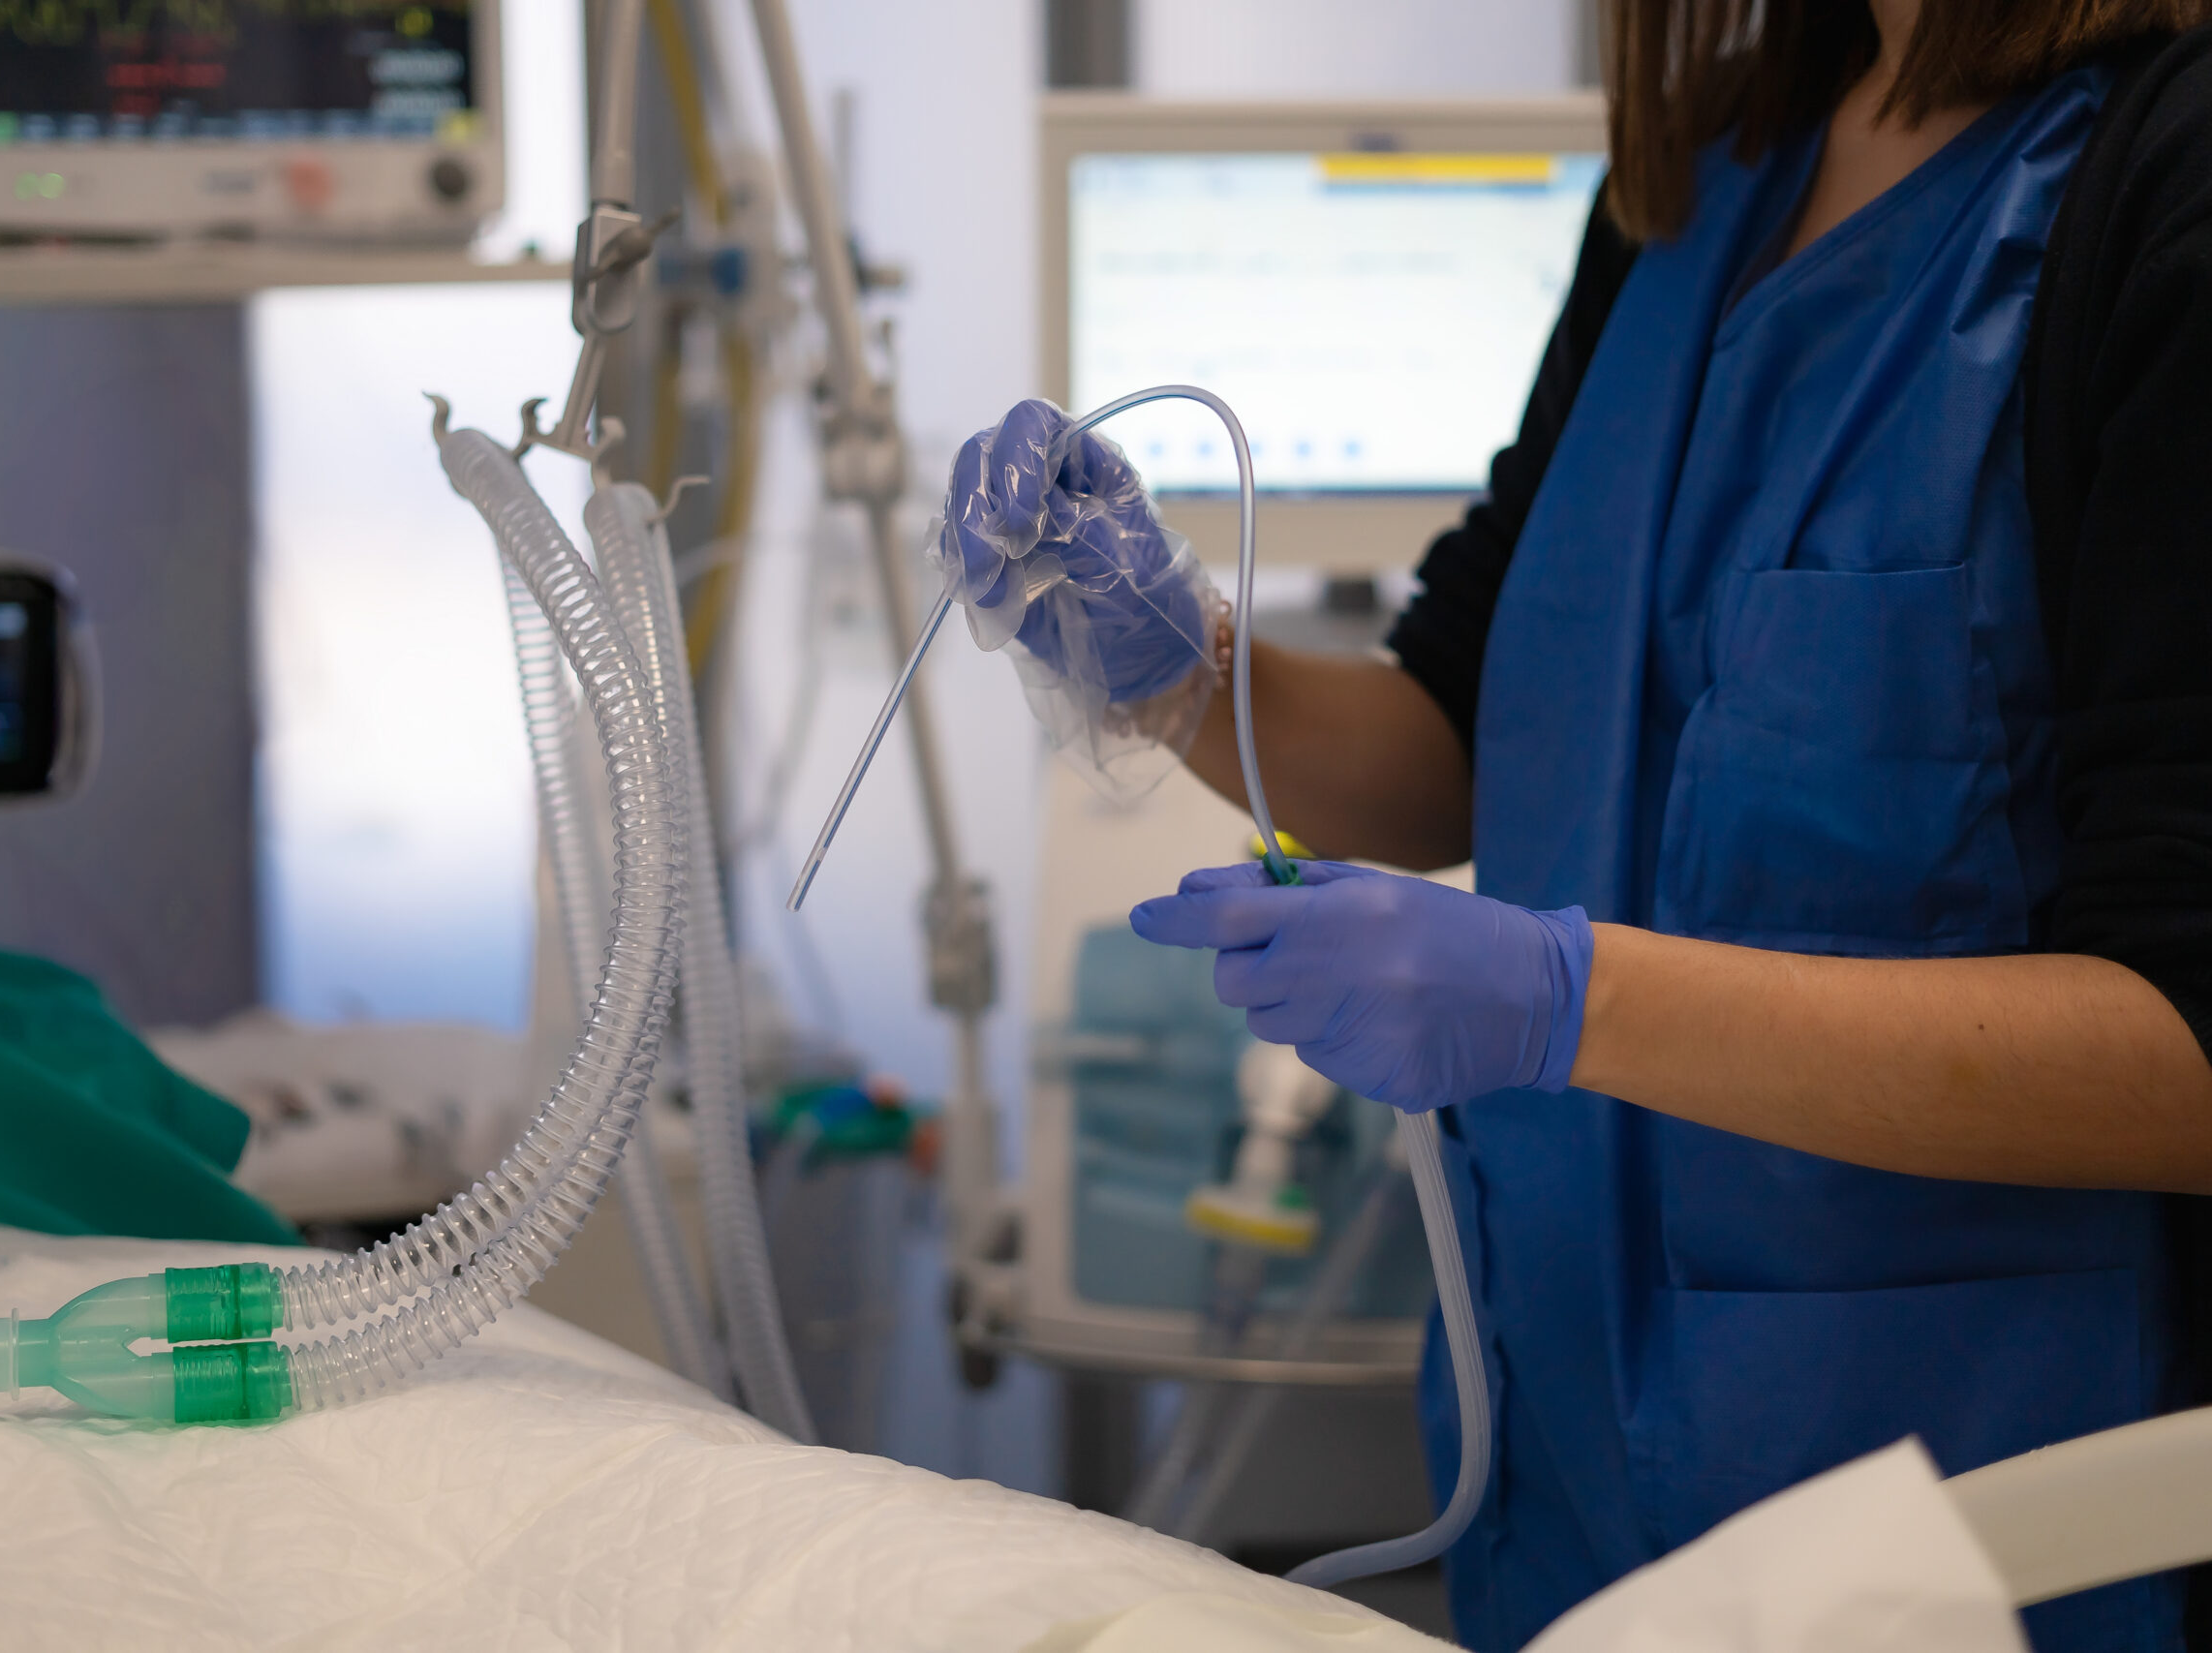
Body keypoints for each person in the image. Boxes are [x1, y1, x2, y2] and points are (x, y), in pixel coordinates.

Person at [945, 2, 2212, 1648]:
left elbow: (2189, 1050)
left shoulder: (2158, 179)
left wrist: (1567, 1001)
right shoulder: (1710, 179)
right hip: (1567, 1492)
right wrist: (1174, 660)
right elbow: (1457, 737)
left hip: (1977, 1512)